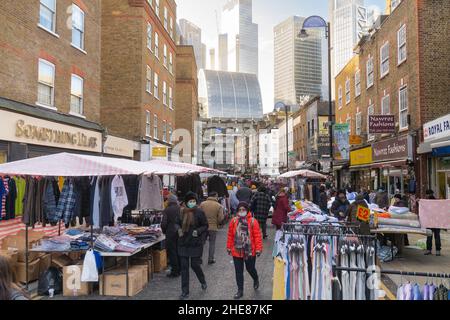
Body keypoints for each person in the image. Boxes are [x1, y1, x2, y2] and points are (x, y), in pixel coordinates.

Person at [227, 202, 263, 300]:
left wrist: (259, 248)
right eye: (240, 210)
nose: (241, 212)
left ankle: (255, 278)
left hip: (250, 250)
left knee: (250, 268)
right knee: (238, 271)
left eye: (243, 210)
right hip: (237, 250)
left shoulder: (253, 221)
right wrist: (229, 247)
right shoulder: (233, 221)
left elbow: (257, 236)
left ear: (247, 210)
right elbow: (230, 234)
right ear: (237, 211)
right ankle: (240, 290)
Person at [176, 192, 209, 300]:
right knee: (184, 268)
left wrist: (198, 231)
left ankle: (202, 280)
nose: (192, 203)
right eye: (190, 201)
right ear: (186, 202)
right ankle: (185, 291)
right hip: (183, 243)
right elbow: (176, 223)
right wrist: (179, 229)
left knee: (195, 265)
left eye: (193, 201)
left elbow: (205, 225)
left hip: (195, 243)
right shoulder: (181, 212)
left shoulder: (199, 212)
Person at [199, 192, 224, 265]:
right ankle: (210, 259)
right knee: (212, 243)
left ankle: (199, 258)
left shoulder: (202, 204)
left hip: (203, 227)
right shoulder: (219, 205)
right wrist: (217, 223)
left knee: (201, 243)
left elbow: (198, 214)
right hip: (213, 227)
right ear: (215, 196)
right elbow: (220, 218)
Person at [161, 194, 181, 277]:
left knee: (172, 252)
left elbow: (164, 223)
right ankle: (180, 269)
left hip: (170, 232)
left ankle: (175, 271)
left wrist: (164, 231)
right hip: (179, 232)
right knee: (179, 251)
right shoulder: (180, 209)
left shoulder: (167, 210)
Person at [424, 190, 441, 257]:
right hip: (437, 222)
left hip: (430, 222)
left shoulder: (427, 202)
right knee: (437, 236)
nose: (427, 196)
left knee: (429, 236)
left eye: (427, 194)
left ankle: (429, 250)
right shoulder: (437, 202)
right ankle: (437, 251)